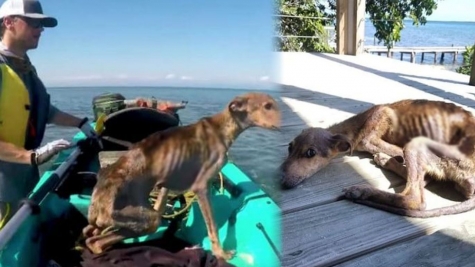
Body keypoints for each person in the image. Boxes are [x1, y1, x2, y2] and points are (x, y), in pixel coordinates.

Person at [0, 0, 98, 229]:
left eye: (42, 25)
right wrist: (31, 157)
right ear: (9, 23)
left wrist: (81, 123)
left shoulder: (25, 67)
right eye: (34, 23)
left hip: (24, 177)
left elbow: (44, 112)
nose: (40, 30)